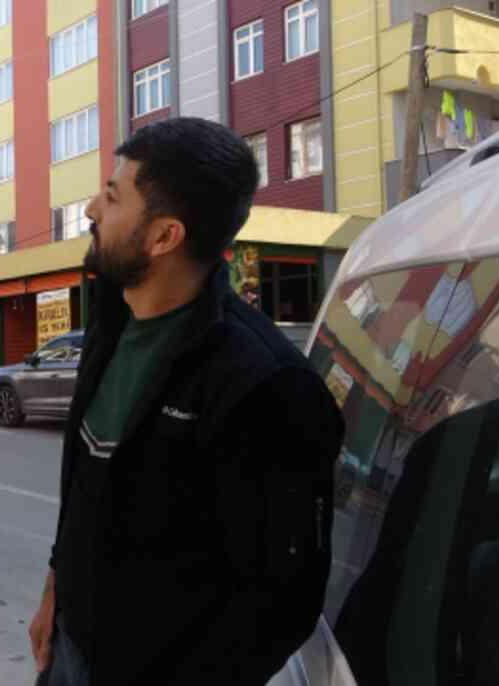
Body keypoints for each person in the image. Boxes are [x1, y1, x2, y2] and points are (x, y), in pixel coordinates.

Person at [27, 117, 344, 685]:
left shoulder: (266, 385)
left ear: (164, 237)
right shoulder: (111, 316)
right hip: (72, 649)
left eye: (112, 196)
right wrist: (56, 585)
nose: (91, 212)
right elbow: (85, 484)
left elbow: (280, 605)